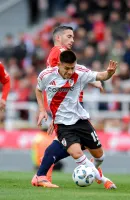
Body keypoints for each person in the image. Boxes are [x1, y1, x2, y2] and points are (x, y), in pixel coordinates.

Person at [31, 26, 104, 187]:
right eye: (69, 36)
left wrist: (93, 80)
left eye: (73, 37)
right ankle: (43, 176)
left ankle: (43, 174)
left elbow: (72, 73)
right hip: (68, 107)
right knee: (70, 144)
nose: (72, 40)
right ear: (58, 38)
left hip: (70, 106)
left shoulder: (59, 54)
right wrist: (52, 111)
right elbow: (53, 81)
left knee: (64, 144)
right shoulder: (58, 52)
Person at [34, 50, 117, 189]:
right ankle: (104, 180)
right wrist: (42, 110)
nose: (69, 72)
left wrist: (109, 73)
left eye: (72, 68)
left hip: (81, 120)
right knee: (77, 154)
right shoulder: (46, 75)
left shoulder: (80, 72)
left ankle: (92, 167)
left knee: (100, 156)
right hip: (62, 125)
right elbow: (38, 89)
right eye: (66, 68)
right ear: (59, 64)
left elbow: (100, 75)